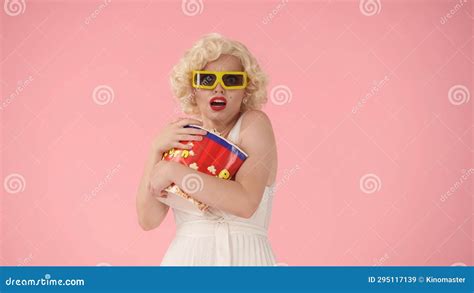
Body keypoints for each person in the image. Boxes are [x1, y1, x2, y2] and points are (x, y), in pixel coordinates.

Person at [136, 33, 278, 266]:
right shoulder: (179, 134)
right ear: (193, 87)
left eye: (232, 80)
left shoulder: (254, 125)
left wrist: (173, 171)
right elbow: (148, 220)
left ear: (247, 89)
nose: (219, 88)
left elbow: (245, 204)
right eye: (207, 80)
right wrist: (155, 151)